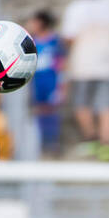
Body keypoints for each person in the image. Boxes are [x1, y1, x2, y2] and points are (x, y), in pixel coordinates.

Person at [60, 0, 109, 161]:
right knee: (107, 106)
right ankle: (107, 146)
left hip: (83, 64)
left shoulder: (76, 8)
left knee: (82, 104)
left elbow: (68, 37)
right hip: (107, 64)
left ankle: (91, 140)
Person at [27, 10, 64, 158]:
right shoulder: (31, 42)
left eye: (33, 21)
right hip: (36, 81)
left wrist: (63, 84)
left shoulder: (54, 41)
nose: (31, 25)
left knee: (51, 111)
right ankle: (40, 144)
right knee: (38, 110)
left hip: (51, 80)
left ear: (41, 23)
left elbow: (61, 63)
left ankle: (52, 143)